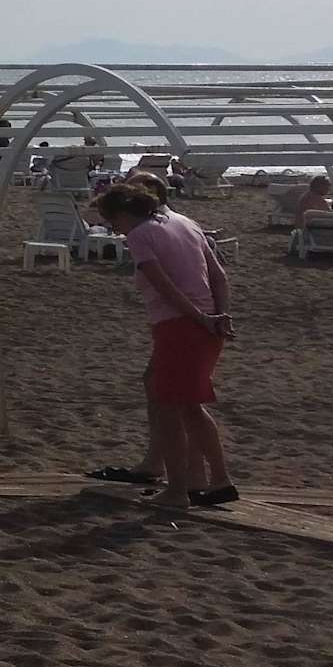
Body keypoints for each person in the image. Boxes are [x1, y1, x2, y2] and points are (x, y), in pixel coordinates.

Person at [92, 180, 237, 508]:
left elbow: (165, 286)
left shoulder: (140, 234)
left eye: (112, 222)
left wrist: (201, 317)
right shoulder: (186, 223)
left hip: (180, 326)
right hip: (206, 325)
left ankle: (178, 490)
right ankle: (218, 480)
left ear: (123, 213)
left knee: (169, 411)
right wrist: (221, 315)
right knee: (190, 407)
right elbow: (219, 277)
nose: (114, 230)